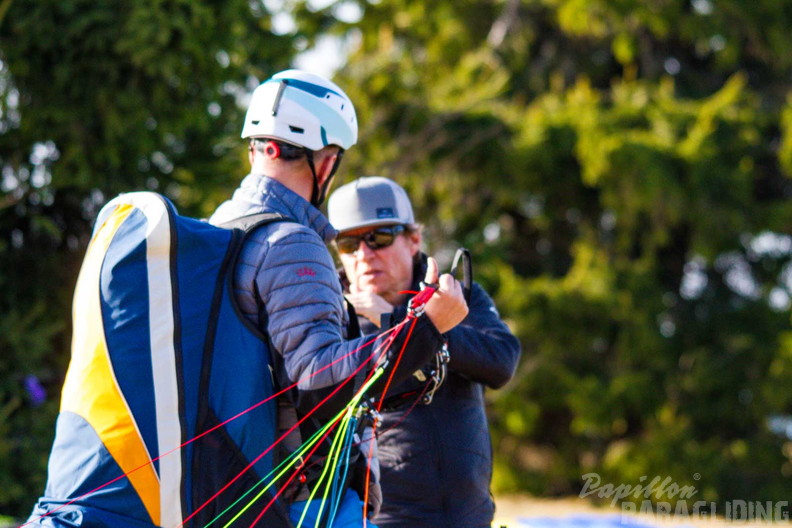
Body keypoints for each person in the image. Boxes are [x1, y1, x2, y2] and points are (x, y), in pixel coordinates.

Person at [207, 71, 469, 527]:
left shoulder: (219, 226)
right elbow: (318, 381)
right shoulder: (292, 241)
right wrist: (426, 327)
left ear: (255, 146)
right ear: (325, 162)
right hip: (302, 502)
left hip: (233, 492)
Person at [327, 176, 521, 528]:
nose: (364, 254)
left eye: (379, 237)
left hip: (470, 518)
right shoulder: (332, 314)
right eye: (348, 243)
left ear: (414, 239)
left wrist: (398, 319)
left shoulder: (454, 295)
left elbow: (501, 361)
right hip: (383, 520)